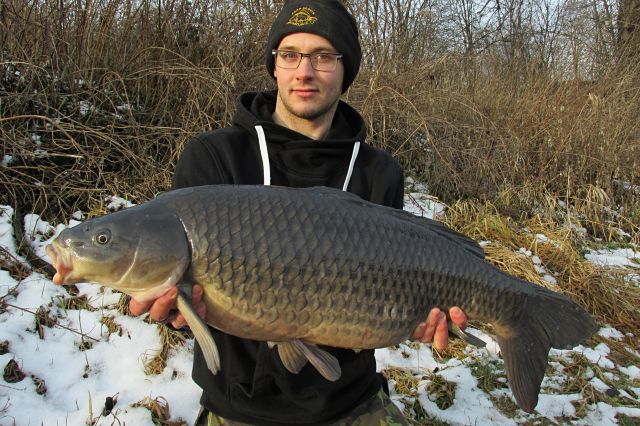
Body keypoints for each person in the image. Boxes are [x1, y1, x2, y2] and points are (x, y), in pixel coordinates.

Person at [129, 0, 468, 424]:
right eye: (290, 55)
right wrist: (173, 313)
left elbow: (395, 296)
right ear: (274, 66)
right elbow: (179, 306)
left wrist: (416, 316)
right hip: (240, 408)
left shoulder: (378, 172)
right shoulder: (214, 158)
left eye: (323, 57)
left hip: (350, 401)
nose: (303, 72)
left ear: (347, 71)